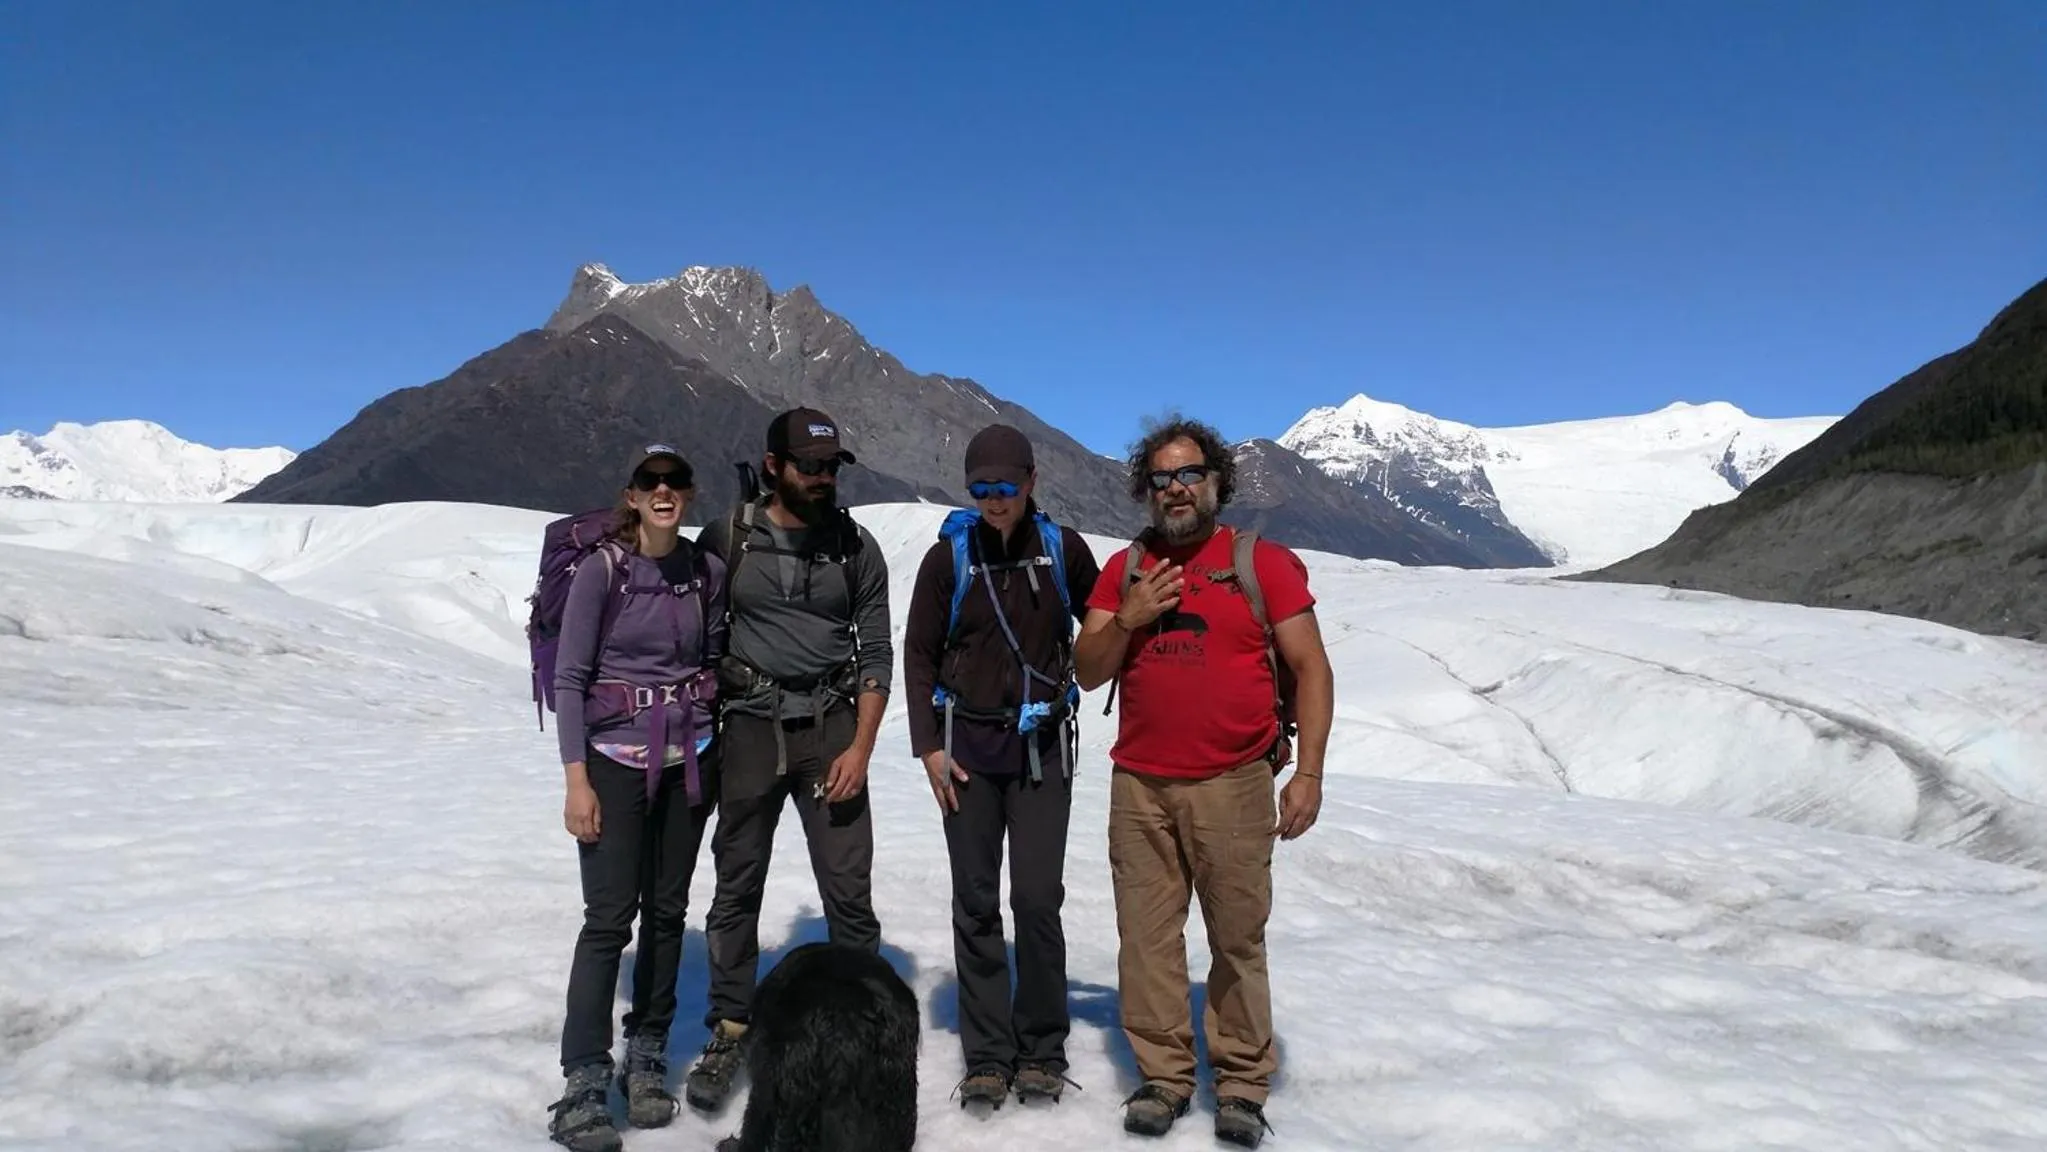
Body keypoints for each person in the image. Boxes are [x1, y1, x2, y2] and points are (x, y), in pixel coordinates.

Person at [1071, 416, 1334, 1149]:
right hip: (1140, 786)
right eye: (1162, 479)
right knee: (1145, 940)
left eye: (1190, 475)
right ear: (1145, 491)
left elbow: (1310, 668)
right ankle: (1163, 1076)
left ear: (1217, 482)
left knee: (1236, 939)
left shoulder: (1260, 564)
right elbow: (1086, 667)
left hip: (1232, 781)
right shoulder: (1127, 568)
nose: (1177, 489)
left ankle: (1243, 1082)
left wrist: (1306, 771)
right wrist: (1125, 619)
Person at [683, 407, 894, 1113]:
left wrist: (860, 747)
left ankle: (860, 1033)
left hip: (832, 728)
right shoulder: (729, 537)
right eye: (810, 465)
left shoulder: (855, 546)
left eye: (832, 466)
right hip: (747, 728)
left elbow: (876, 651)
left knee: (848, 889)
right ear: (773, 465)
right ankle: (731, 1023)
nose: (824, 477)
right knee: (736, 883)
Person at [901, 424, 1100, 1108]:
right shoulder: (948, 559)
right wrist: (928, 746)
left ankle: (1041, 1046)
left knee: (1036, 900)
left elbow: (1100, 622)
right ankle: (988, 1053)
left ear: (1030, 482)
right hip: (968, 754)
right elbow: (919, 652)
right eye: (980, 488)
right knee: (976, 902)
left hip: (1043, 750)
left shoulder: (1060, 550)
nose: (993, 501)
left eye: (1005, 487)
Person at [546, 444, 728, 1152]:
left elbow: (709, 662)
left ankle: (646, 1052)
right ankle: (584, 1078)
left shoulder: (704, 573)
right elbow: (570, 679)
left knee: (668, 911)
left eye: (675, 482)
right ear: (630, 496)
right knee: (607, 919)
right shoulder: (603, 572)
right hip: (613, 761)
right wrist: (575, 779)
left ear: (689, 494)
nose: (663, 492)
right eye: (650, 483)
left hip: (691, 760)